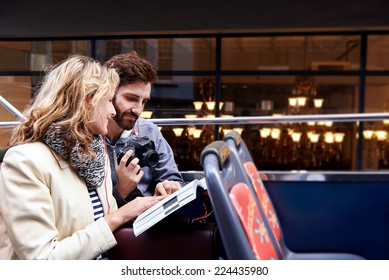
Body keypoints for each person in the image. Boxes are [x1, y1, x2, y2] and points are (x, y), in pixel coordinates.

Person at [0, 55, 164, 260]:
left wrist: (150, 205)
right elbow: (42, 260)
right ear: (88, 101)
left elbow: (106, 231)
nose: (113, 111)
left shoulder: (93, 155)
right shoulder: (24, 161)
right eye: (107, 101)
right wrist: (120, 216)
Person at [104, 52, 185, 207]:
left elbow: (174, 179)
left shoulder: (149, 131)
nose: (138, 110)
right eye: (131, 99)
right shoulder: (88, 135)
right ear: (108, 93)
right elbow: (89, 210)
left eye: (144, 101)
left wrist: (169, 187)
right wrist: (122, 191)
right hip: (111, 226)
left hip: (149, 222)